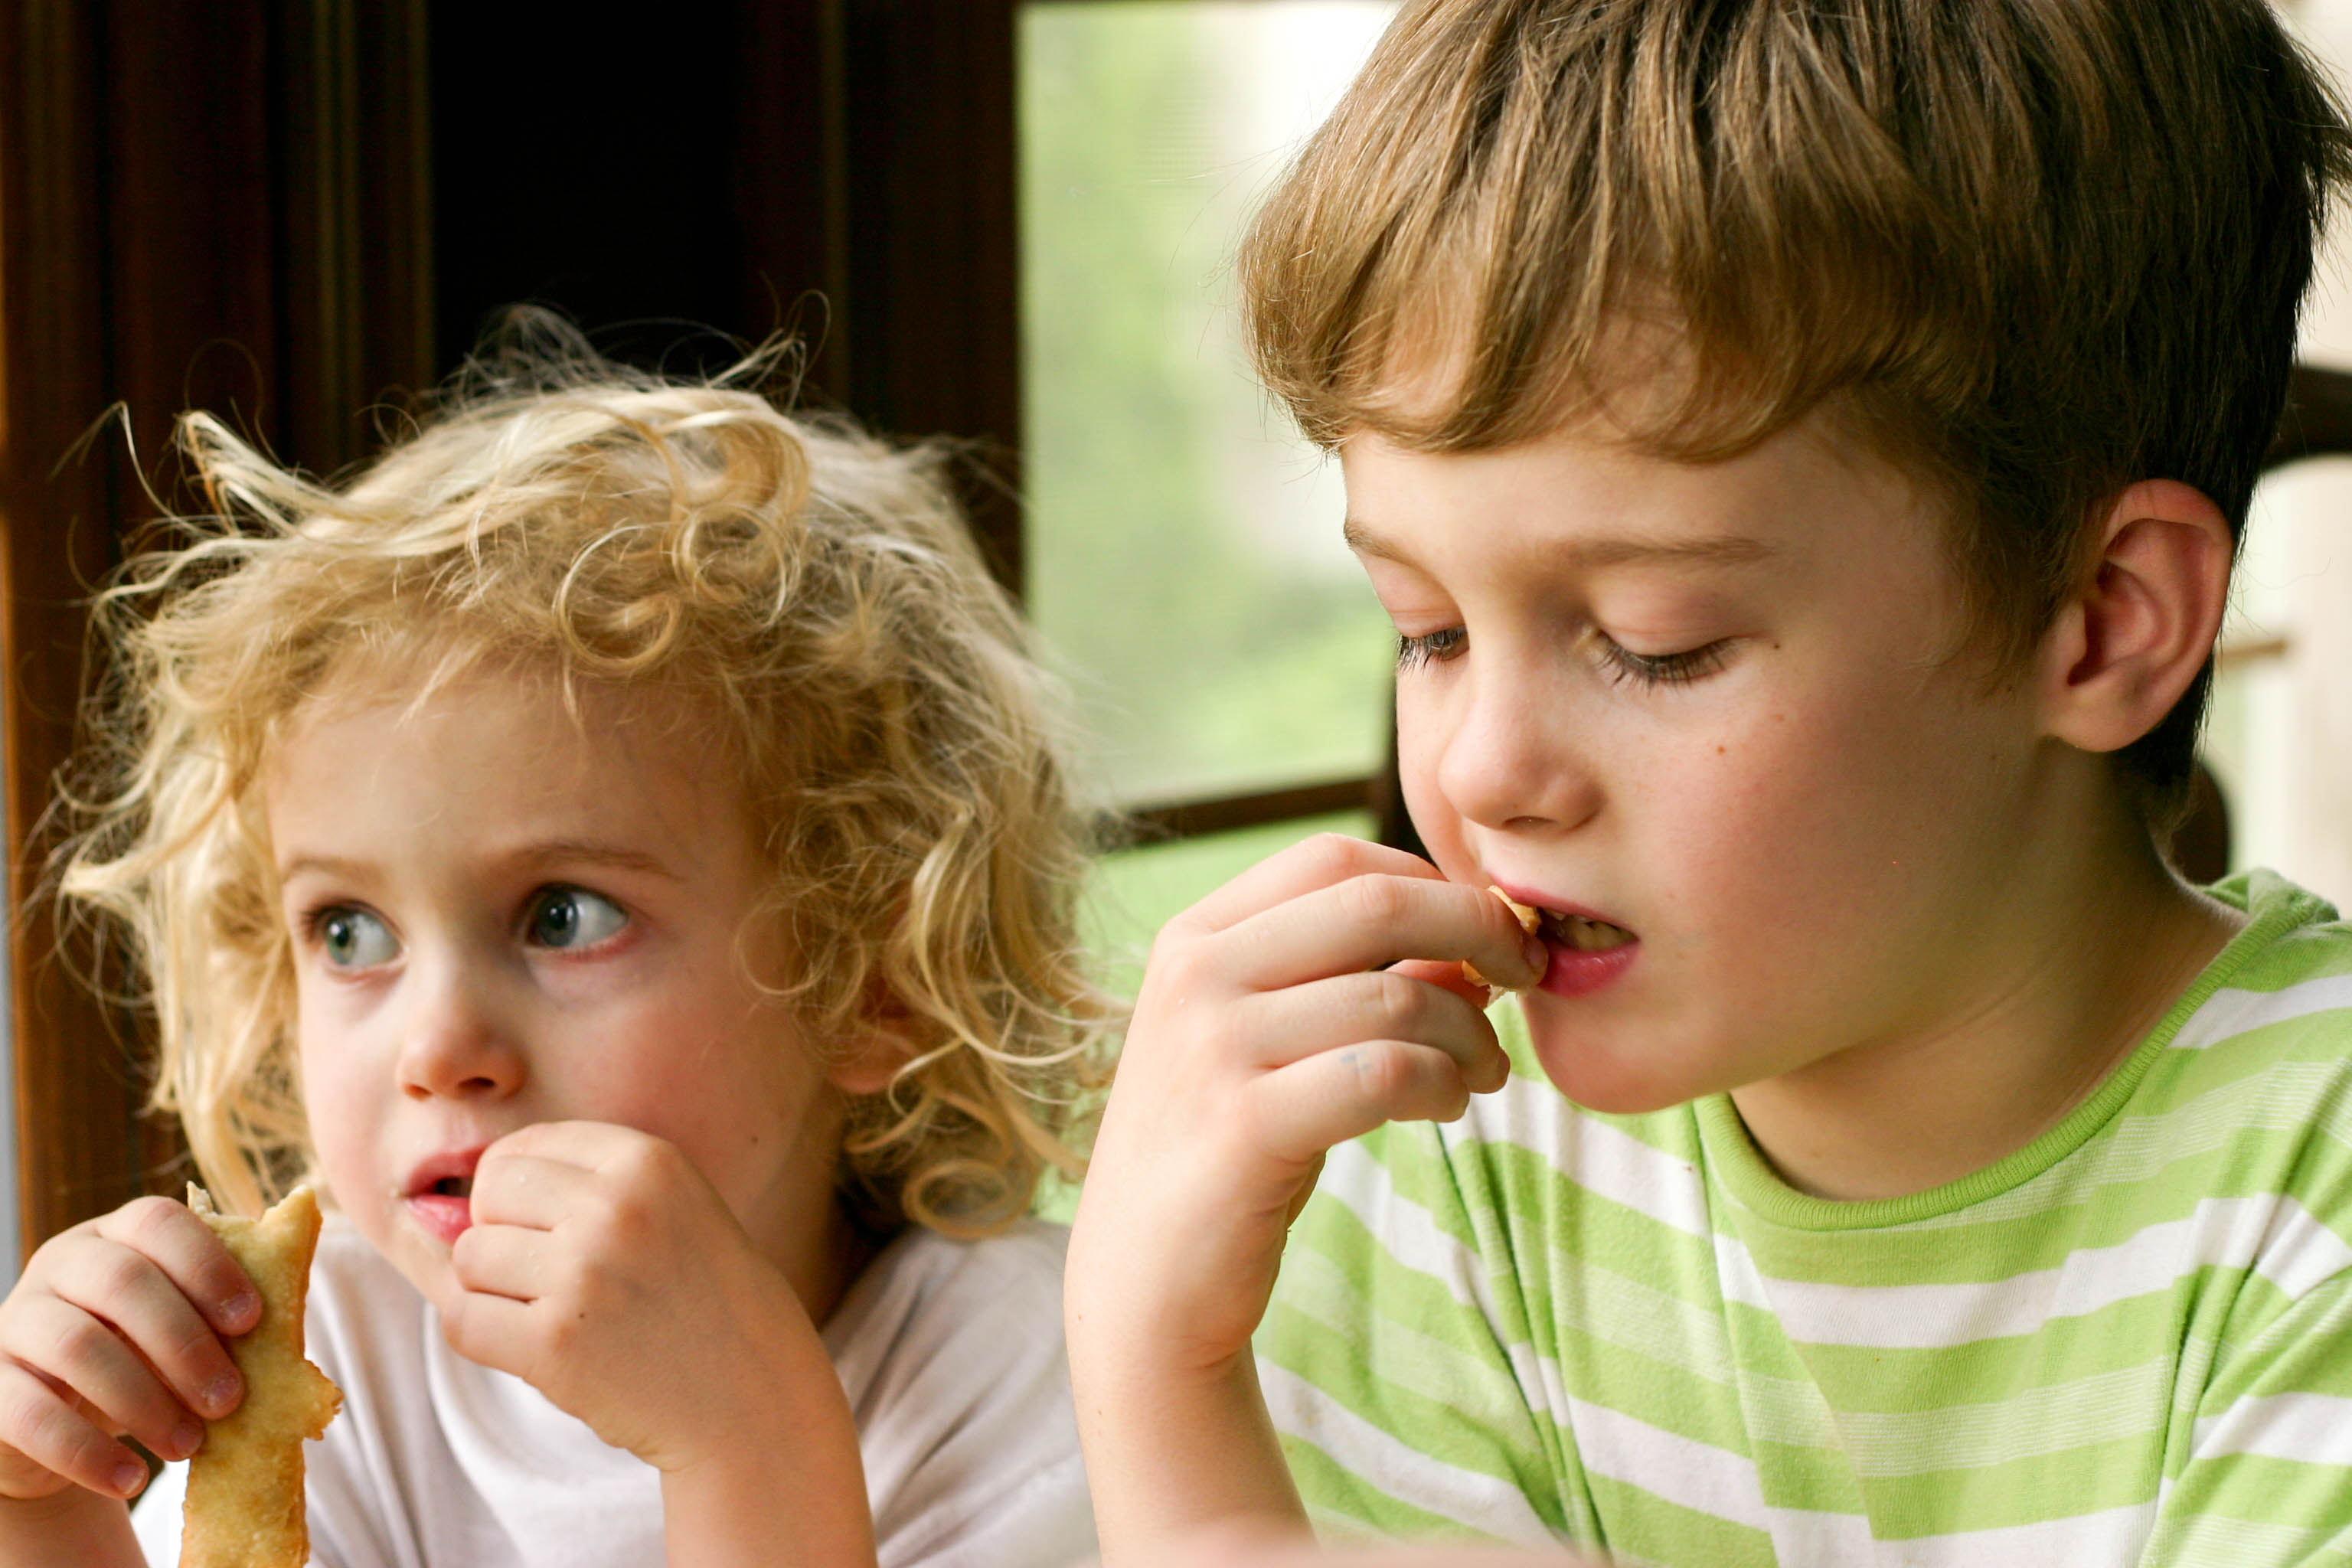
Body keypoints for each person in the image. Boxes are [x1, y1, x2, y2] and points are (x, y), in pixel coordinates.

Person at [1066, 2, 2352, 1564]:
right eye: (1426, 629)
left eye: (1654, 645)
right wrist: (1155, 1364)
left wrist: (1206, 1516)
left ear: (2099, 621)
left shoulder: (2315, 1201)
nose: (1482, 769)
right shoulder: (1453, 1149)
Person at [0, 319, 1111, 1568]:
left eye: (564, 916)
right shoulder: (339, 1354)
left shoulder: (1042, 1381)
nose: (437, 1049)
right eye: (350, 931)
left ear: (873, 984)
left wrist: (746, 1443)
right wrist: (44, 1510)